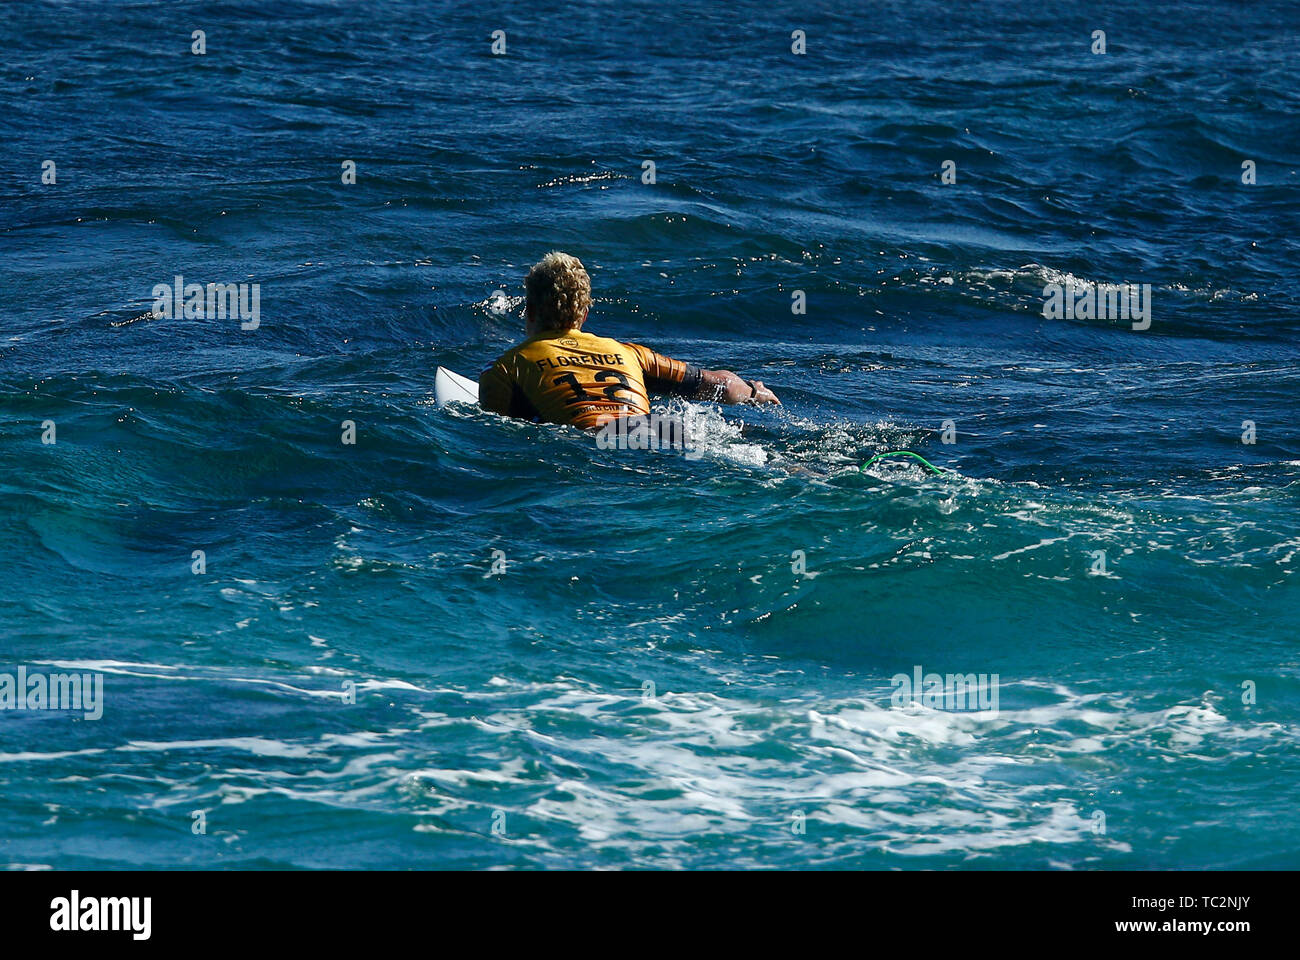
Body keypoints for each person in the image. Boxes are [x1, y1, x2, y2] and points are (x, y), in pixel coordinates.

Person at [479, 252, 779, 434]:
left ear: (529, 311)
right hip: (666, 432)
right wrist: (754, 392)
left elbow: (501, 435)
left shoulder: (505, 368)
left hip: (593, 443)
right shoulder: (629, 353)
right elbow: (718, 385)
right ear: (584, 314)